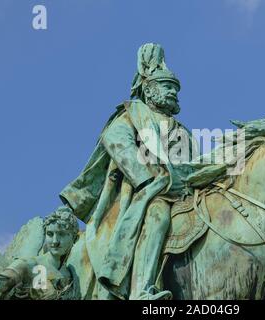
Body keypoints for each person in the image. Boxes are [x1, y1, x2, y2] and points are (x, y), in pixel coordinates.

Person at [59, 43, 196, 300]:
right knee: (158, 216)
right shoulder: (133, 113)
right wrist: (148, 180)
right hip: (146, 192)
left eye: (175, 89)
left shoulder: (183, 130)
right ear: (149, 89)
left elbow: (193, 163)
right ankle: (141, 291)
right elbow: (117, 142)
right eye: (168, 87)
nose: (174, 93)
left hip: (186, 191)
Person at [0, 206, 80, 300]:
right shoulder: (29, 265)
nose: (55, 241)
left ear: (74, 238)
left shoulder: (72, 274)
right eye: (50, 234)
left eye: (61, 234)